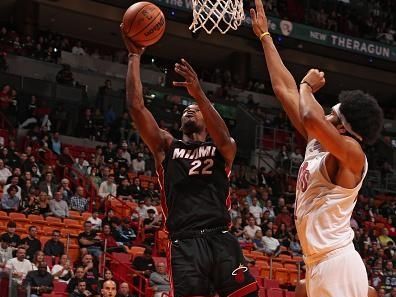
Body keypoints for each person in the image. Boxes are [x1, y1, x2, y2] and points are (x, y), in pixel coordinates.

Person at [250, 1, 384, 297]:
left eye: (332, 115)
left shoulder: (352, 154)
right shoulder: (318, 143)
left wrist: (307, 87)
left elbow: (309, 113)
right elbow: (284, 90)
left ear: (342, 128)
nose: (326, 116)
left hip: (338, 263)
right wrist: (265, 37)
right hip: (316, 263)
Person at [121, 25, 257, 297]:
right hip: (184, 242)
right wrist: (134, 56)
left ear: (207, 118)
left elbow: (226, 139)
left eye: (194, 109)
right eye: (185, 109)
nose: (189, 110)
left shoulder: (221, 149)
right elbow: (137, 107)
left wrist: (199, 95)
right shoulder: (166, 147)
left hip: (220, 237)